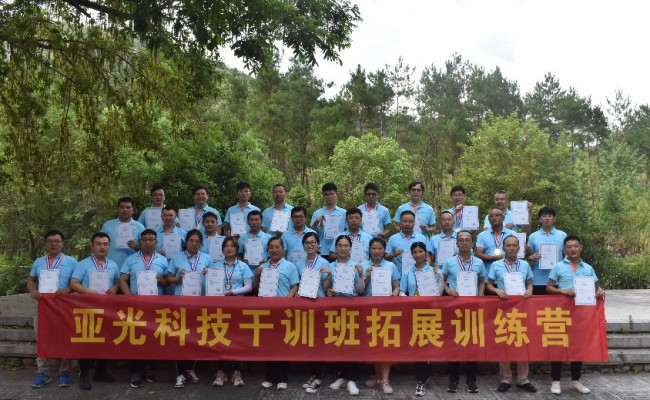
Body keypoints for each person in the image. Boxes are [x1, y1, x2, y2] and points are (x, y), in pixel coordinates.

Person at [546, 235, 605, 395]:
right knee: (558, 345)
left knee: (579, 346)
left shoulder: (588, 268)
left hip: (582, 314)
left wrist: (600, 292)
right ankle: (556, 381)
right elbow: (549, 288)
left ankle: (575, 380)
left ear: (581, 248)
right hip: (562, 312)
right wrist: (563, 291)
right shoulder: (558, 266)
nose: (572, 249)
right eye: (569, 247)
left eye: (575, 246)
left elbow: (596, 288)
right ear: (565, 250)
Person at [27, 230, 77, 389]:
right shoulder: (39, 262)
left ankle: (65, 371)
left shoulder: (72, 262)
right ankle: (43, 372)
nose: (53, 244)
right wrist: (32, 291)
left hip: (64, 306)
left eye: (57, 241)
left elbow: (77, 282)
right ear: (45, 244)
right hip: (43, 306)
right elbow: (31, 279)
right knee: (41, 337)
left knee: (65, 337)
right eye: (50, 241)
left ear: (62, 243)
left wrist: (67, 290)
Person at [486, 236, 537, 393]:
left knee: (522, 342)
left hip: (521, 308)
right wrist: (497, 291)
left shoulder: (525, 265)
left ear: (519, 248)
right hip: (503, 308)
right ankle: (506, 378)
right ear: (503, 248)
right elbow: (488, 285)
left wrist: (530, 290)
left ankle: (523, 379)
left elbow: (530, 283)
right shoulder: (496, 265)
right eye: (508, 245)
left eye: (515, 245)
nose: (512, 248)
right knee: (504, 342)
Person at [118, 229, 168, 388]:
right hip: (136, 305)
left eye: (151, 239)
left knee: (152, 338)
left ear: (156, 242)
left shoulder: (163, 260)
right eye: (144, 239)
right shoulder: (131, 259)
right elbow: (122, 279)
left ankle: (148, 369)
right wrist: (128, 297)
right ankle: (135, 371)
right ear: (140, 242)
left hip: (155, 306)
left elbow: (167, 282)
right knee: (135, 338)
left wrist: (162, 281)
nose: (147, 242)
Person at [69, 232, 119, 390]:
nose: (102, 247)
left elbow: (117, 282)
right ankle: (83, 374)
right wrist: (87, 291)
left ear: (109, 246)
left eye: (105, 244)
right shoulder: (83, 264)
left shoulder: (113, 265)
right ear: (92, 246)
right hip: (87, 308)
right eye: (98, 244)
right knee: (86, 341)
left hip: (106, 309)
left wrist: (115, 288)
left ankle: (100, 372)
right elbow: (73, 283)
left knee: (104, 340)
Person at [442, 230, 486, 394]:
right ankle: (453, 378)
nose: (465, 242)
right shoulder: (449, 262)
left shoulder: (479, 262)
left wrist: (480, 294)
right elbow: (442, 280)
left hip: (472, 308)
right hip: (454, 307)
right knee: (453, 342)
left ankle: (471, 379)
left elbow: (482, 281)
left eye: (468, 240)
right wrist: (448, 290)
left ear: (472, 243)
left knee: (472, 343)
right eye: (461, 240)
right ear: (457, 243)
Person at [166, 230, 211, 388]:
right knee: (180, 337)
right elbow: (168, 278)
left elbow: (214, 279)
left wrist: (208, 274)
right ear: (186, 242)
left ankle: (190, 369)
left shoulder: (207, 258)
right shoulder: (177, 257)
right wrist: (177, 278)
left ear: (201, 243)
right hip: (181, 303)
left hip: (200, 302)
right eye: (191, 240)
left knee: (196, 337)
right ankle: (179, 373)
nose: (194, 243)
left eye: (197, 241)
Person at [253, 237, 299, 390]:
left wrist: (286, 301)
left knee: (283, 343)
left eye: (277, 247)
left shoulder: (290, 266)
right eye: (271, 247)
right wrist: (257, 276)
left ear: (283, 249)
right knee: (269, 343)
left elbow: (295, 286)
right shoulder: (263, 267)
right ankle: (270, 376)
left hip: (284, 310)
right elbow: (255, 289)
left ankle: (282, 377)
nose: (274, 250)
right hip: (267, 311)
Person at [399, 241, 444, 396]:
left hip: (430, 313)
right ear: (411, 254)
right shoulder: (407, 273)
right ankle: (423, 376)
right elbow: (402, 291)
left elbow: (439, 293)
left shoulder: (434, 271)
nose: (418, 254)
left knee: (426, 345)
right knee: (418, 346)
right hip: (413, 313)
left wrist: (440, 276)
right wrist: (408, 299)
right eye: (415, 252)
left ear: (426, 253)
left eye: (420, 251)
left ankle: (421, 380)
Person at [208, 236, 253, 388]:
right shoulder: (215, 266)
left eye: (232, 246)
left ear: (237, 249)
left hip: (237, 307)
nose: (229, 248)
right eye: (226, 246)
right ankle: (220, 372)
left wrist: (233, 292)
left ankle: (236, 371)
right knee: (219, 337)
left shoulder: (243, 266)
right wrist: (206, 276)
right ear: (222, 249)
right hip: (219, 307)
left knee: (236, 338)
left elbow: (249, 287)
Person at [327, 235, 365, 396]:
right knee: (338, 341)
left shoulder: (356, 266)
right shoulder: (330, 266)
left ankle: (352, 379)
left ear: (350, 248)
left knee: (352, 342)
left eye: (346, 246)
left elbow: (361, 290)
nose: (343, 248)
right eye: (340, 246)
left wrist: (361, 274)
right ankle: (341, 376)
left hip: (352, 308)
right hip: (335, 308)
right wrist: (329, 286)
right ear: (336, 248)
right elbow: (325, 289)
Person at [295, 232, 332, 394]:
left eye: (313, 242)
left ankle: (319, 377)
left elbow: (325, 288)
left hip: (319, 305)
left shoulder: (324, 262)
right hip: (304, 306)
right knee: (309, 341)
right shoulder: (298, 264)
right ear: (303, 246)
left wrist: (328, 276)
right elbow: (297, 285)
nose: (310, 245)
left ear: (318, 245)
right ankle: (313, 373)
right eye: (307, 243)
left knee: (320, 341)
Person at [527, 206, 567, 294]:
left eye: (550, 215)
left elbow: (567, 254)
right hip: (538, 279)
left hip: (558, 279)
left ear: (554, 218)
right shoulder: (533, 236)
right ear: (539, 219)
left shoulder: (562, 235)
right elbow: (528, 256)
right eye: (544, 216)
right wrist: (532, 257)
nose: (547, 218)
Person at [101, 197, 145, 268]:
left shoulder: (140, 227)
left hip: (132, 267)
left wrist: (137, 246)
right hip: (110, 267)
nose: (125, 210)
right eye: (122, 207)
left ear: (132, 210)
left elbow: (146, 250)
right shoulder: (107, 225)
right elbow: (100, 244)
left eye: (128, 207)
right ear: (118, 209)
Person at [475, 208, 517, 276]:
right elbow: (478, 254)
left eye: (497, 215)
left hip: (509, 274)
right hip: (488, 274)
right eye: (491, 216)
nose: (494, 218)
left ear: (503, 218)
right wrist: (499, 257)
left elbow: (519, 254)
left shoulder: (513, 234)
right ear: (488, 219)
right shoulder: (482, 235)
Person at [310, 182, 347, 257]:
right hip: (321, 251)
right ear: (323, 196)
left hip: (338, 251)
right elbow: (311, 233)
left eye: (331, 194)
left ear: (336, 194)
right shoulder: (317, 213)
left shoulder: (344, 213)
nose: (329, 196)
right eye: (326, 194)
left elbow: (347, 231)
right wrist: (316, 222)